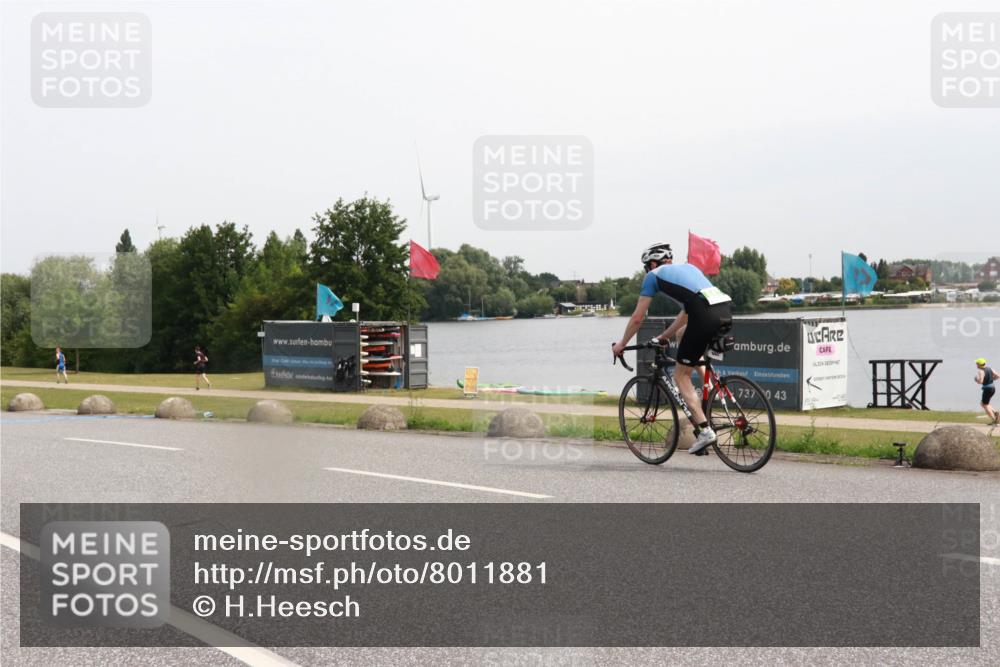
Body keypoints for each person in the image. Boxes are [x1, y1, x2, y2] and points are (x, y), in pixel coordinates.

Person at [612, 242, 733, 454]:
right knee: (681, 334)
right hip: (724, 310)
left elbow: (638, 317)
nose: (646, 271)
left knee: (680, 376)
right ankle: (709, 392)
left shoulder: (653, 276)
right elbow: (687, 312)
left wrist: (622, 343)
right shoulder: (690, 268)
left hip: (703, 314)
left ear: (651, 263)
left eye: (645, 267)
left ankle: (705, 430)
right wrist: (665, 336)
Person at [975, 358, 998, 424]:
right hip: (992, 388)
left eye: (977, 364)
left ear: (979, 364)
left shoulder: (981, 371)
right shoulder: (990, 368)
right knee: (984, 403)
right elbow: (998, 376)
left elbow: (981, 381)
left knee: (984, 405)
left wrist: (977, 380)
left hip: (987, 389)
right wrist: (991, 379)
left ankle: (994, 420)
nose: (976, 365)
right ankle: (995, 413)